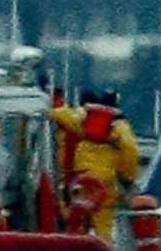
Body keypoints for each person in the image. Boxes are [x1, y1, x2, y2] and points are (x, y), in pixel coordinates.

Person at [48, 90, 141, 236]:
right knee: (103, 222)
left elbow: (61, 114)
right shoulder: (120, 127)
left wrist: (49, 111)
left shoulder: (83, 118)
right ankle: (103, 248)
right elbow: (130, 151)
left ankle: (74, 245)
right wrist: (128, 177)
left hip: (81, 177)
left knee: (76, 215)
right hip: (105, 181)